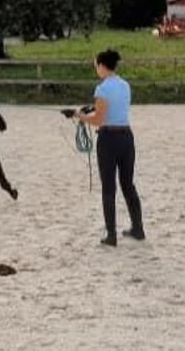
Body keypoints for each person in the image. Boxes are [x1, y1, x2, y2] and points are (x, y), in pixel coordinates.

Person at [65, 49, 145, 247]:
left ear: (102, 66)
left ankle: (111, 235)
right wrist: (90, 109)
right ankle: (138, 228)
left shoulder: (101, 89)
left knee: (109, 188)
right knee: (128, 184)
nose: (96, 70)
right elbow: (113, 109)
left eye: (96, 66)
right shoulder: (125, 85)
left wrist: (77, 115)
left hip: (108, 139)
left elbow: (99, 120)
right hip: (126, 137)